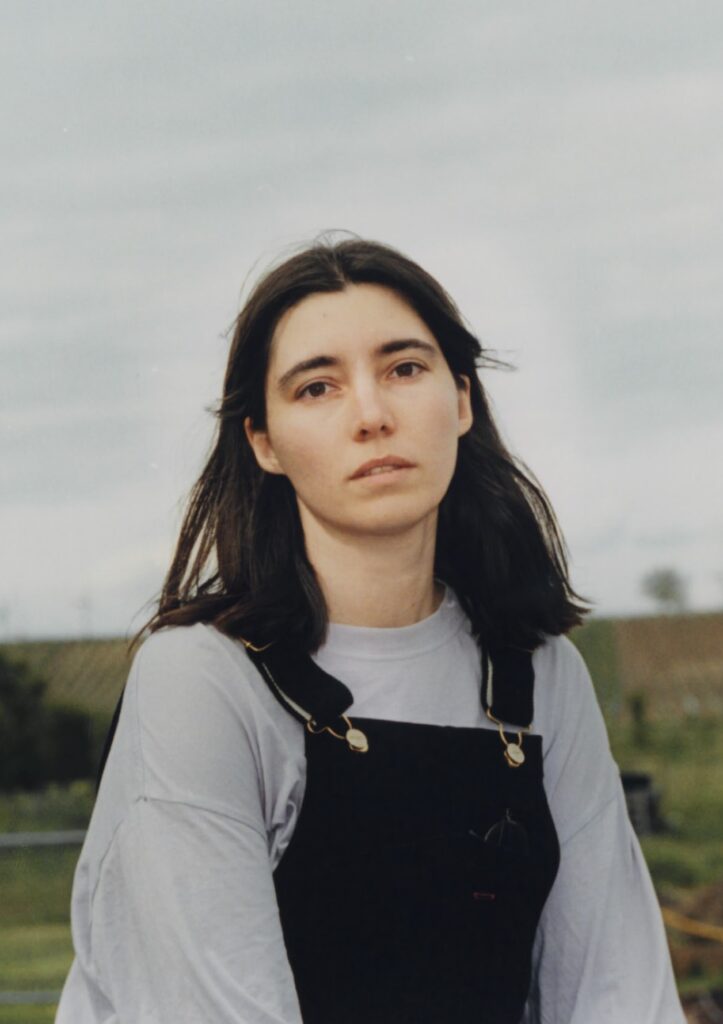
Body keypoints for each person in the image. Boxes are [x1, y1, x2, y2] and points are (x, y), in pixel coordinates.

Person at [56, 236, 685, 1024]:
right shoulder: (202, 680)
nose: (372, 416)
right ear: (263, 442)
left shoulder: (539, 674)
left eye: (404, 369)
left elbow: (616, 989)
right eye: (317, 387)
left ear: (461, 401)